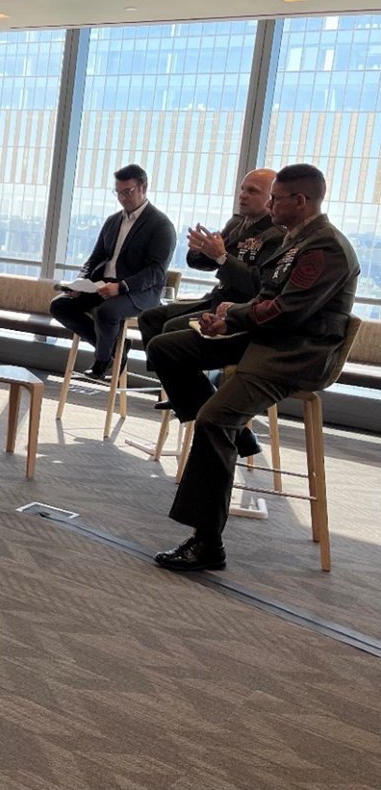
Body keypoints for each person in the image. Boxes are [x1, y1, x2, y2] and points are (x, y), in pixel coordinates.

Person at [148, 164, 359, 571]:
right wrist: (229, 318)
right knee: (165, 348)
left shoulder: (324, 247)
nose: (270, 204)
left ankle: (207, 542)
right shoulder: (297, 239)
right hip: (267, 337)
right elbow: (266, 295)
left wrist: (234, 317)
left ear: (300, 202)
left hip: (295, 353)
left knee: (213, 420)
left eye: (276, 198)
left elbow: (288, 312)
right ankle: (234, 434)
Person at [49, 164, 177, 378]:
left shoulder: (161, 225)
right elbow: (95, 257)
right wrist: (80, 283)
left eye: (128, 192)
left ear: (143, 187)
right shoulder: (112, 221)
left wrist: (122, 286)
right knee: (59, 305)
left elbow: (156, 272)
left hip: (140, 293)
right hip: (104, 285)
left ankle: (102, 363)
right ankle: (116, 348)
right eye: (118, 192)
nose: (122, 198)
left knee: (106, 312)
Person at [138, 169, 283, 351]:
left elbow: (257, 283)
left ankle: (173, 371)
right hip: (214, 299)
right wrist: (200, 250)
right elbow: (207, 262)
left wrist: (221, 256)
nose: (242, 196)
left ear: (271, 198)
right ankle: (166, 374)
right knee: (150, 318)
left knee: (171, 329)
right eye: (242, 189)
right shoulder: (236, 224)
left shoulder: (276, 235)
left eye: (252, 191)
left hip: (237, 309)